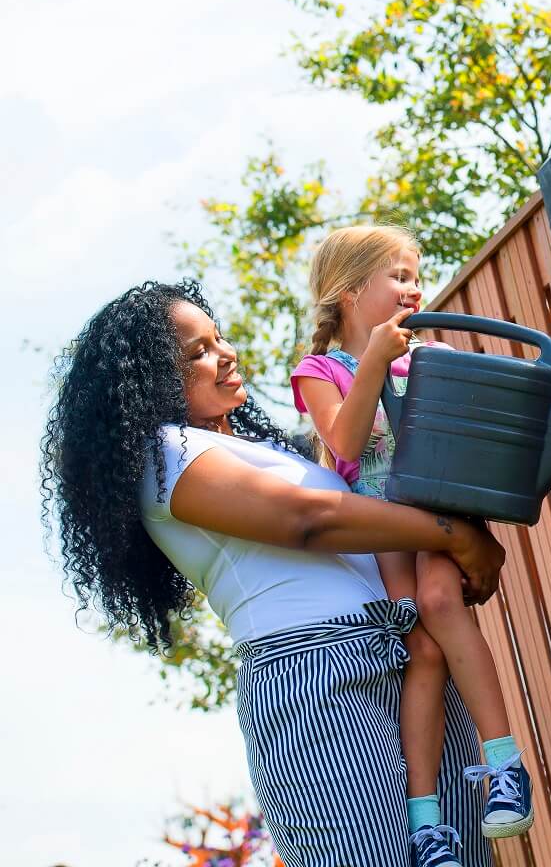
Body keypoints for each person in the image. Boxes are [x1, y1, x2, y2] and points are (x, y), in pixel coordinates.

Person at [40, 280, 509, 866]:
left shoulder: (265, 449)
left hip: (403, 656)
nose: (226, 354)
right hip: (315, 683)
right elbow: (307, 519)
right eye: (197, 353)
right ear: (147, 381)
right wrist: (458, 539)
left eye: (220, 339)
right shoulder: (164, 458)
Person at [290, 225, 551, 861]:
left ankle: (504, 764)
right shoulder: (320, 372)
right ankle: (427, 823)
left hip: (439, 507)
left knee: (441, 601)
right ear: (351, 291)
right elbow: (347, 447)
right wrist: (376, 365)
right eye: (399, 275)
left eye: (417, 275)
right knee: (421, 648)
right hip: (384, 523)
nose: (415, 288)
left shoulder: (433, 357)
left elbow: (501, 432)